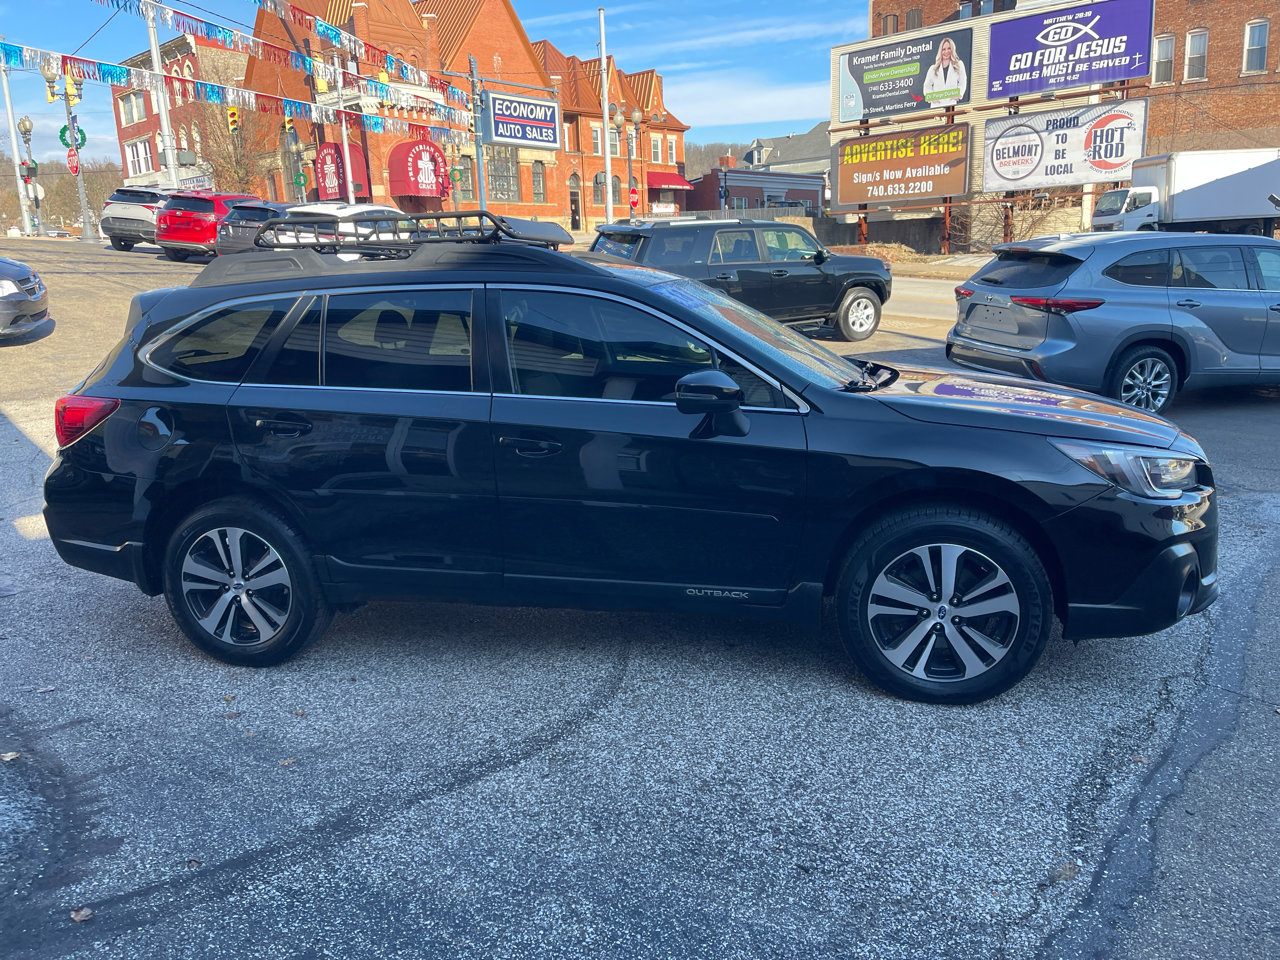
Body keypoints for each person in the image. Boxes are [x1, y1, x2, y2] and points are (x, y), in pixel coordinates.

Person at [922, 37, 967, 107]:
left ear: (952, 49)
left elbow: (963, 83)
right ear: (940, 51)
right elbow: (926, 87)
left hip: (951, 106)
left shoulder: (959, 65)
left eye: (949, 48)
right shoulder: (933, 69)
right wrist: (932, 98)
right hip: (936, 107)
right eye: (943, 49)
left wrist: (959, 94)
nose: (946, 52)